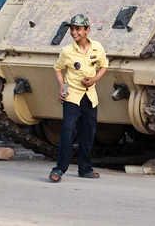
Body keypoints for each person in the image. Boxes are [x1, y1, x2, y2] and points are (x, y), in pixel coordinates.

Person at [48, 14, 109, 183]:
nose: (74, 32)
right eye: (72, 29)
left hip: (90, 95)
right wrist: (61, 86)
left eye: (78, 29)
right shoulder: (67, 51)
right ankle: (59, 169)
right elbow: (58, 69)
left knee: (88, 132)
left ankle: (85, 168)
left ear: (87, 30)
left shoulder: (97, 47)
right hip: (72, 94)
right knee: (68, 130)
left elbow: (104, 65)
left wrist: (95, 79)